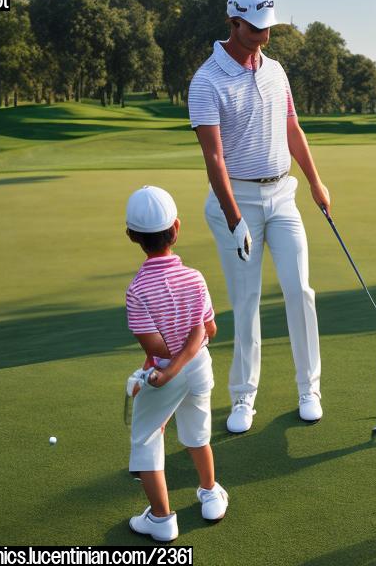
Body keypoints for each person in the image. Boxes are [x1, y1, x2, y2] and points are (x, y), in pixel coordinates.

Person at [189, 0, 328, 433]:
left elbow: (292, 128)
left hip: (281, 196)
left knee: (300, 291)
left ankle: (310, 388)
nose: (264, 36)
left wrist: (315, 181)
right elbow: (215, 160)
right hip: (238, 202)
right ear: (233, 23)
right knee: (246, 303)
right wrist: (234, 220)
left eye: (268, 27)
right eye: (255, 29)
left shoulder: (276, 70)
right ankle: (244, 398)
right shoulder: (207, 80)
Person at [124, 186, 228, 542]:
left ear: (132, 236)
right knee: (197, 433)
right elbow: (209, 329)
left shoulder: (137, 289)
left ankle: (161, 518)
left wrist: (164, 372)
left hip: (169, 373)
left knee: (146, 439)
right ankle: (210, 492)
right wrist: (189, 345)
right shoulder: (195, 277)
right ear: (177, 228)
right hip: (200, 366)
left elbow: (157, 348)